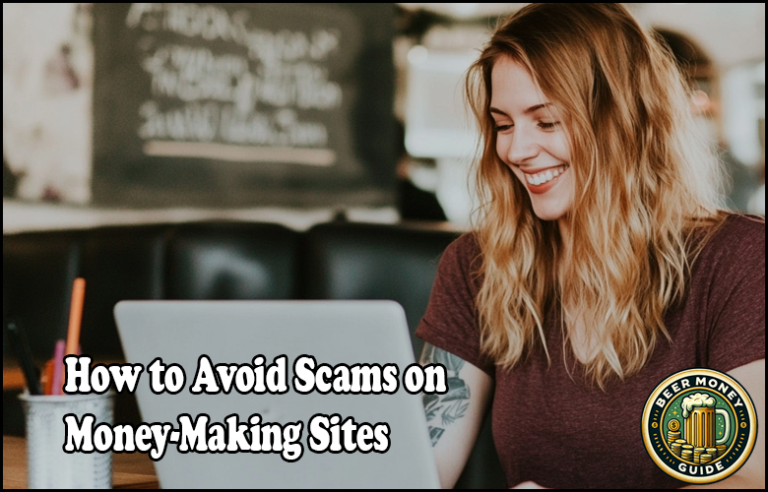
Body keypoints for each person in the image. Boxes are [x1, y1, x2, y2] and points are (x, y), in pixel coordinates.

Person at [415, 4, 764, 489]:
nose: (516, 150)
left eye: (547, 122)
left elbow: (750, 478)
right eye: (504, 124)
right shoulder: (475, 265)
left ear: (623, 121)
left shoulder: (740, 262)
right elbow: (419, 465)